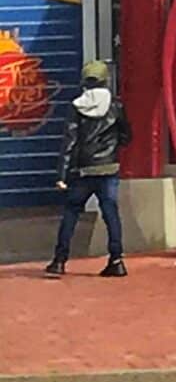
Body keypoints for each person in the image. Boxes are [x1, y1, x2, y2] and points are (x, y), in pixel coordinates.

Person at [46, 61, 130, 278]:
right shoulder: (116, 105)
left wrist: (62, 175)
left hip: (83, 171)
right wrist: (113, 147)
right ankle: (117, 260)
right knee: (111, 213)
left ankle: (59, 261)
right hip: (108, 168)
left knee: (72, 212)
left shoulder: (77, 106)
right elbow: (126, 136)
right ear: (105, 80)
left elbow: (70, 142)